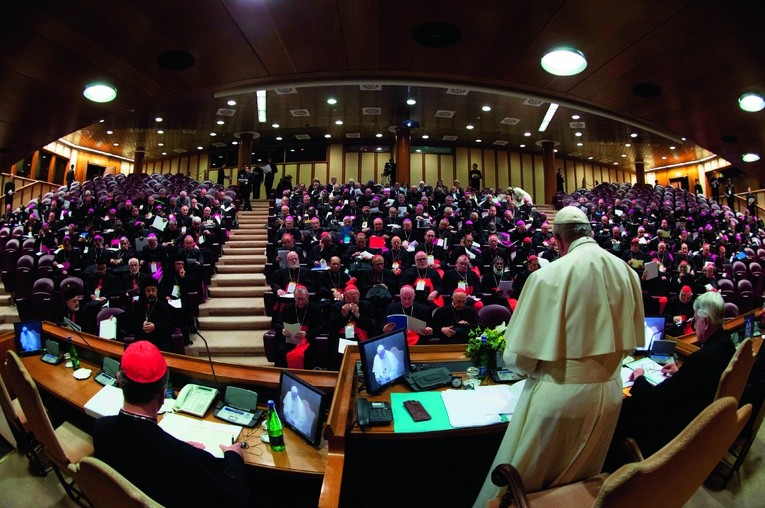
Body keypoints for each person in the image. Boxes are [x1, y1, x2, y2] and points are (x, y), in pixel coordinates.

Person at [474, 205, 643, 505]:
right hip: (611, 394)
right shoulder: (627, 272)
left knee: (526, 486)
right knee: (583, 480)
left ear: (557, 240)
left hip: (561, 398)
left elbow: (517, 358)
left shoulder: (547, 277)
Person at [93, 341, 249, 508]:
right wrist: (234, 458)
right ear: (162, 395)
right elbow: (237, 500)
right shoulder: (187, 459)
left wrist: (178, 448)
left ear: (119, 381)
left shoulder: (99, 428)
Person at [609, 292, 734, 461]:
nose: (694, 325)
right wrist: (680, 373)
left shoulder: (701, 359)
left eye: (695, 321)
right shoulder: (728, 346)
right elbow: (695, 381)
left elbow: (656, 399)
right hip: (696, 418)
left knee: (623, 413)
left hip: (671, 430)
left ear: (705, 323)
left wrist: (639, 378)